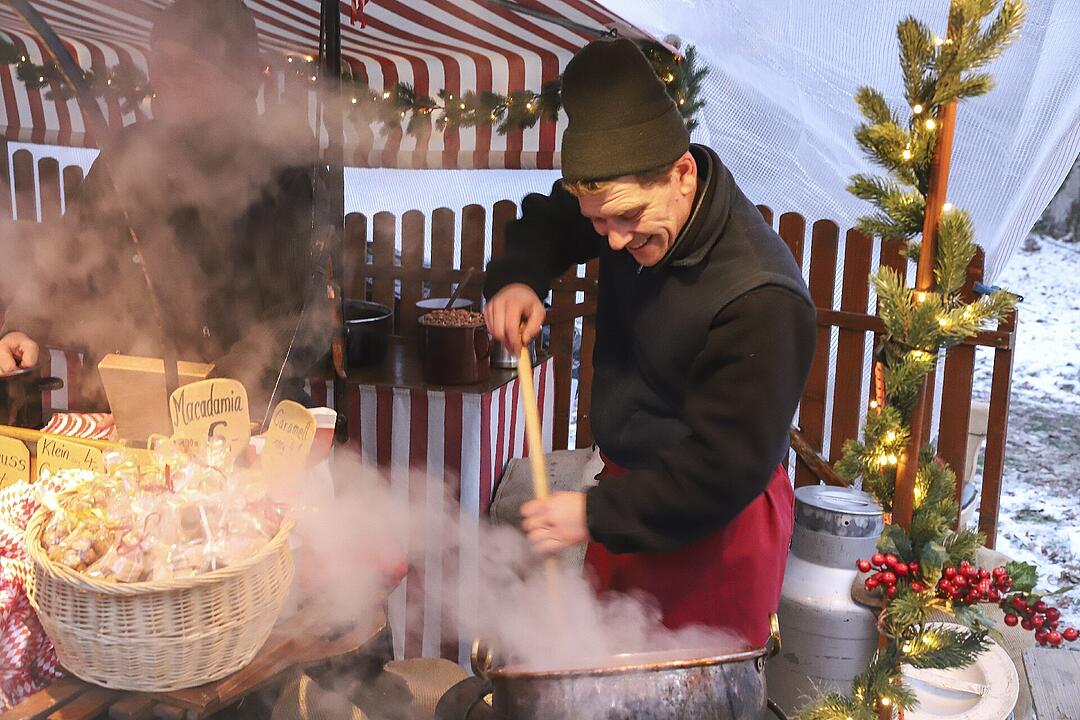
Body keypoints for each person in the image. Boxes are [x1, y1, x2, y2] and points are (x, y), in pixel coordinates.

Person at [483, 38, 817, 646]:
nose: (611, 241)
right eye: (599, 222)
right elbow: (556, 218)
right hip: (623, 501)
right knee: (605, 688)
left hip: (719, 524)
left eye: (627, 217)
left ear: (682, 173)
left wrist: (591, 515)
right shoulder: (629, 203)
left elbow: (723, 469)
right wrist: (517, 278)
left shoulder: (760, 296)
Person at [0, 0, 321, 416]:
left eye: (191, 65)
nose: (169, 80)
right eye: (163, 62)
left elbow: (297, 319)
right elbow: (66, 251)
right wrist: (25, 323)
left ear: (237, 75)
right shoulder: (127, 154)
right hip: (131, 403)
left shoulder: (285, 173)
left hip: (247, 415)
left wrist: (225, 385)